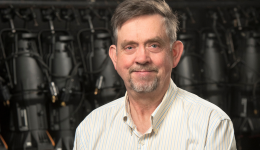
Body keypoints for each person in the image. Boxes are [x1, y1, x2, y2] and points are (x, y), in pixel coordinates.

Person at [73, 0, 237, 149]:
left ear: (174, 53)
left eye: (153, 45)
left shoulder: (212, 125)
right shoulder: (90, 129)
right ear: (115, 57)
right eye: (130, 47)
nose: (142, 58)